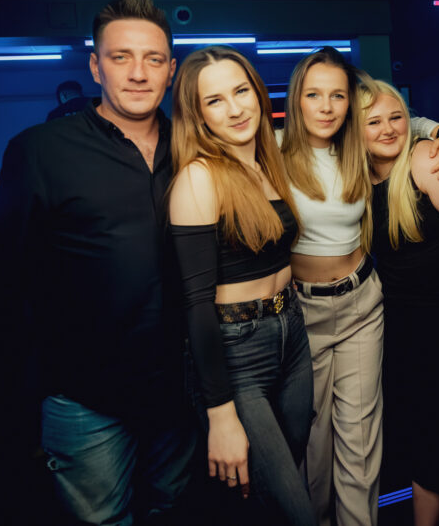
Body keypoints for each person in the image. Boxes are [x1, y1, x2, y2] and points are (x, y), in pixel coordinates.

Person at [0, 0, 196, 525]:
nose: (138, 73)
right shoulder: (41, 151)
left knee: (175, 510)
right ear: (95, 66)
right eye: (120, 57)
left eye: (153, 59)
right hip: (85, 397)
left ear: (171, 70)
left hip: (178, 392)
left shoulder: (195, 148)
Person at [279, 47, 439, 525]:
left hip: (362, 303)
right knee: (313, 442)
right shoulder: (272, 151)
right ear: (296, 99)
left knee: (360, 441)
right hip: (304, 312)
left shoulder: (356, 149)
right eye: (313, 95)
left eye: (337, 95)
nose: (325, 107)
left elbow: (401, 122)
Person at [168, 45, 315, 525]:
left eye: (241, 91)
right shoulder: (198, 178)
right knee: (294, 511)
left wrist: (434, 130)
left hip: (292, 334)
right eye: (215, 101)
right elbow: (196, 305)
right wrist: (220, 413)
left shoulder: (267, 161)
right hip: (236, 354)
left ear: (258, 92)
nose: (234, 109)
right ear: (198, 115)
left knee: (269, 498)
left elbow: (353, 125)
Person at [359, 80, 439, 525]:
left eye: (396, 117)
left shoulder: (427, 159)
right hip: (402, 325)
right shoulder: (361, 177)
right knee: (421, 438)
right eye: (374, 122)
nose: (388, 129)